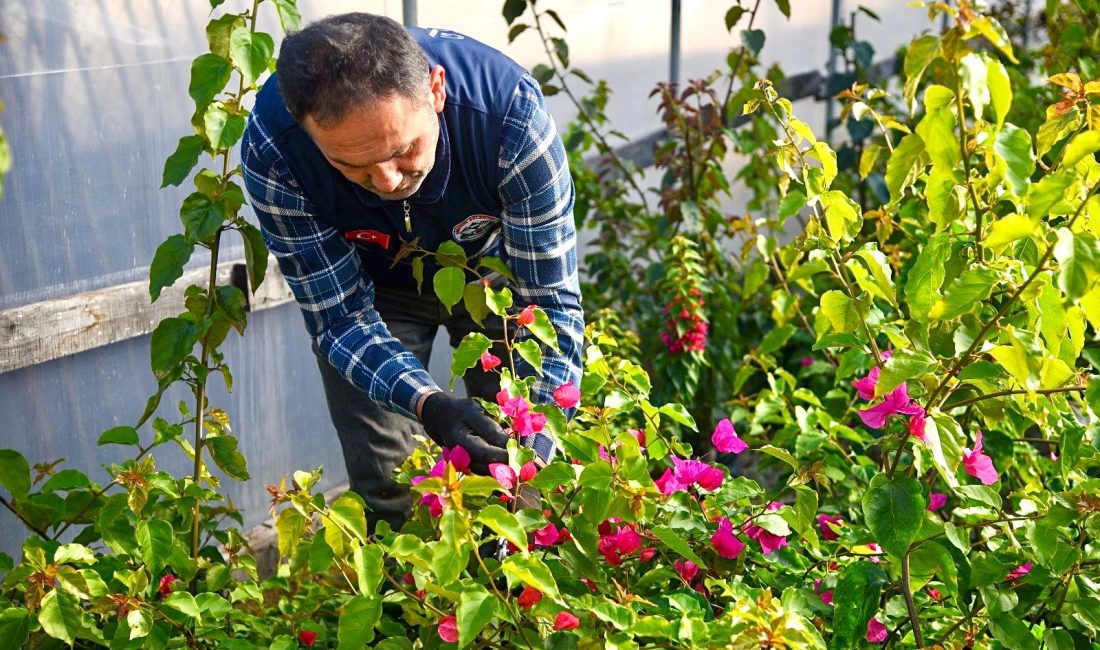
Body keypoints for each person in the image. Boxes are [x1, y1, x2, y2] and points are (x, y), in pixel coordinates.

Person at [240, 12, 584, 531]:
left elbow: (550, 305)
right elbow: (339, 319)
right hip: (373, 295)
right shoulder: (276, 151)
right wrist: (428, 405)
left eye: (403, 150)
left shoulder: (509, 119)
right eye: (351, 164)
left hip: (496, 283)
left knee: (517, 463)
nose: (386, 180)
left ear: (436, 91)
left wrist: (533, 455)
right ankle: (410, 603)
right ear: (309, 133)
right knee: (387, 482)